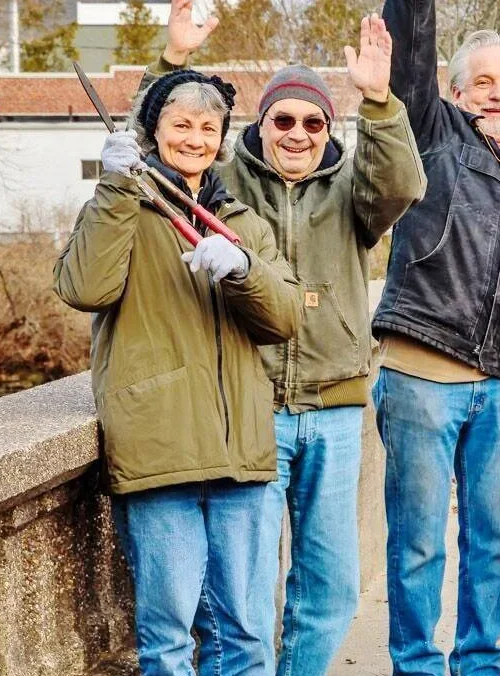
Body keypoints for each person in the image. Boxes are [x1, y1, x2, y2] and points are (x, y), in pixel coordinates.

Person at [144, 4, 426, 672]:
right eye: (283, 120)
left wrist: (379, 101)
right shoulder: (225, 183)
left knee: (330, 584)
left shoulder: (353, 189)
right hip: (253, 408)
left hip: (336, 410)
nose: (297, 134)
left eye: (313, 122)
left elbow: (404, 184)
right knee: (245, 589)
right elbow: (154, 153)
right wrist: (171, 61)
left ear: (328, 129)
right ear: (261, 124)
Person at [55, 67, 302, 675]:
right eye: (180, 124)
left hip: (240, 454)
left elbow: (286, 317)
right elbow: (83, 287)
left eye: (207, 128)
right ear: (153, 130)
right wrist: (114, 187)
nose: (194, 138)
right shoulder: (123, 208)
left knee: (247, 634)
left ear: (221, 139)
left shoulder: (244, 222)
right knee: (167, 638)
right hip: (159, 454)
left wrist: (244, 269)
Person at [378, 0, 500, 670]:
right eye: (483, 82)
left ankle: (479, 662)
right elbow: (410, 58)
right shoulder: (434, 134)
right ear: (457, 93)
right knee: (419, 542)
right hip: (422, 368)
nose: (498, 93)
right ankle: (417, 665)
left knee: (492, 543)